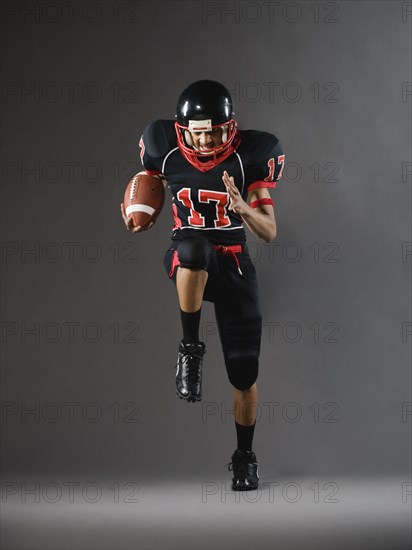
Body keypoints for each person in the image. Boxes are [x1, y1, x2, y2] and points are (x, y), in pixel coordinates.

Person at [121, 80, 285, 490]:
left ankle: (244, 456)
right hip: (189, 252)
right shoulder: (164, 147)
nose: (209, 139)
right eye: (200, 131)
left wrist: (243, 208)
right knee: (194, 249)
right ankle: (190, 349)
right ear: (182, 129)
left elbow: (269, 232)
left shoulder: (252, 156)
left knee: (244, 373)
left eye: (216, 130)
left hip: (233, 261)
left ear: (231, 127)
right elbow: (146, 183)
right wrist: (139, 207)